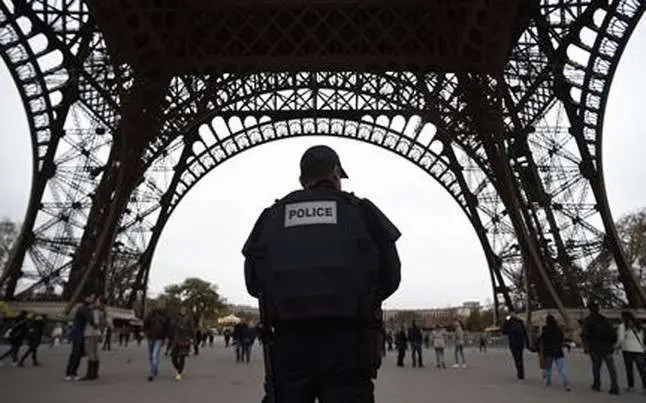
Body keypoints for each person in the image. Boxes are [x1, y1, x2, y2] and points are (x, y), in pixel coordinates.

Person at [243, 145, 401, 403]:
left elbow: (252, 282)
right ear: (336, 172)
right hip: (349, 339)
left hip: (288, 342)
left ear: (302, 178)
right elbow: (391, 276)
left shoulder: (272, 215)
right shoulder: (361, 211)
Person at [581, 302, 619, 395]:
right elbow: (613, 334)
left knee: (596, 367)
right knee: (611, 369)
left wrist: (586, 347)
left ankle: (597, 384)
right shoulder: (604, 319)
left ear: (589, 310)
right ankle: (615, 387)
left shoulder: (588, 320)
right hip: (607, 347)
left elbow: (585, 335)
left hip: (595, 347)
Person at [65, 293, 95, 380]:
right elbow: (91, 319)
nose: (92, 299)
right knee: (75, 353)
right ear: (86, 298)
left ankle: (73, 372)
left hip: (82, 333)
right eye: (91, 297)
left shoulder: (86, 308)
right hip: (78, 333)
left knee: (79, 353)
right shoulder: (83, 308)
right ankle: (69, 373)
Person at [616, 310, 646, 393]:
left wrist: (617, 347)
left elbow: (621, 339)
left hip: (628, 350)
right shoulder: (638, 325)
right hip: (639, 349)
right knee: (642, 370)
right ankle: (645, 387)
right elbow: (643, 338)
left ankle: (631, 386)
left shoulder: (623, 326)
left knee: (629, 369)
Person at [540, 315, 570, 390]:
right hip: (558, 351)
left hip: (548, 351)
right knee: (561, 369)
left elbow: (543, 339)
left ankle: (548, 383)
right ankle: (566, 384)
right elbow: (561, 339)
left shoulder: (545, 329)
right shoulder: (558, 329)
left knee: (548, 368)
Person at [143, 301, 171, 381]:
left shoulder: (166, 316)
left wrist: (166, 338)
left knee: (155, 355)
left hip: (159, 338)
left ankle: (152, 372)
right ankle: (154, 369)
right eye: (160, 304)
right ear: (157, 305)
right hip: (150, 337)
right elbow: (145, 323)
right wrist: (145, 332)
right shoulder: (151, 314)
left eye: (163, 305)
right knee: (151, 355)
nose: (161, 306)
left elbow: (168, 328)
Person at [81, 296, 106, 381]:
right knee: (94, 353)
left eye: (97, 300)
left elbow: (95, 322)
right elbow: (102, 323)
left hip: (90, 332)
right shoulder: (101, 311)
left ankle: (90, 373)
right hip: (95, 333)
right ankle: (94, 372)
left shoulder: (95, 310)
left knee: (90, 352)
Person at [502, 313, 529, 381]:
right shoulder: (520, 322)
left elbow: (504, 331)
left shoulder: (509, 322)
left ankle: (520, 374)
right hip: (520, 343)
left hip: (513, 343)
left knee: (516, 359)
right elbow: (525, 332)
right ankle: (521, 373)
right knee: (520, 358)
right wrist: (527, 342)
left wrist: (506, 321)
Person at [169, 307, 194, 381]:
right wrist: (169, 337)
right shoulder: (175, 318)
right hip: (176, 340)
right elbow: (171, 328)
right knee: (173, 357)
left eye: (184, 311)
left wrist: (192, 338)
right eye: (181, 310)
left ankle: (179, 373)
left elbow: (191, 329)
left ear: (186, 312)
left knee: (182, 357)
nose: (183, 312)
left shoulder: (188, 319)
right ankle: (179, 369)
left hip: (185, 340)